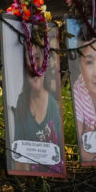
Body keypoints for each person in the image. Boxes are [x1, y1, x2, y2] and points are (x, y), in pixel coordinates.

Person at [10, 42, 63, 174]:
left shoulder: (53, 106)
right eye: (28, 59)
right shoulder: (21, 103)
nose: (34, 66)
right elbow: (18, 157)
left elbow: (60, 153)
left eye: (37, 58)